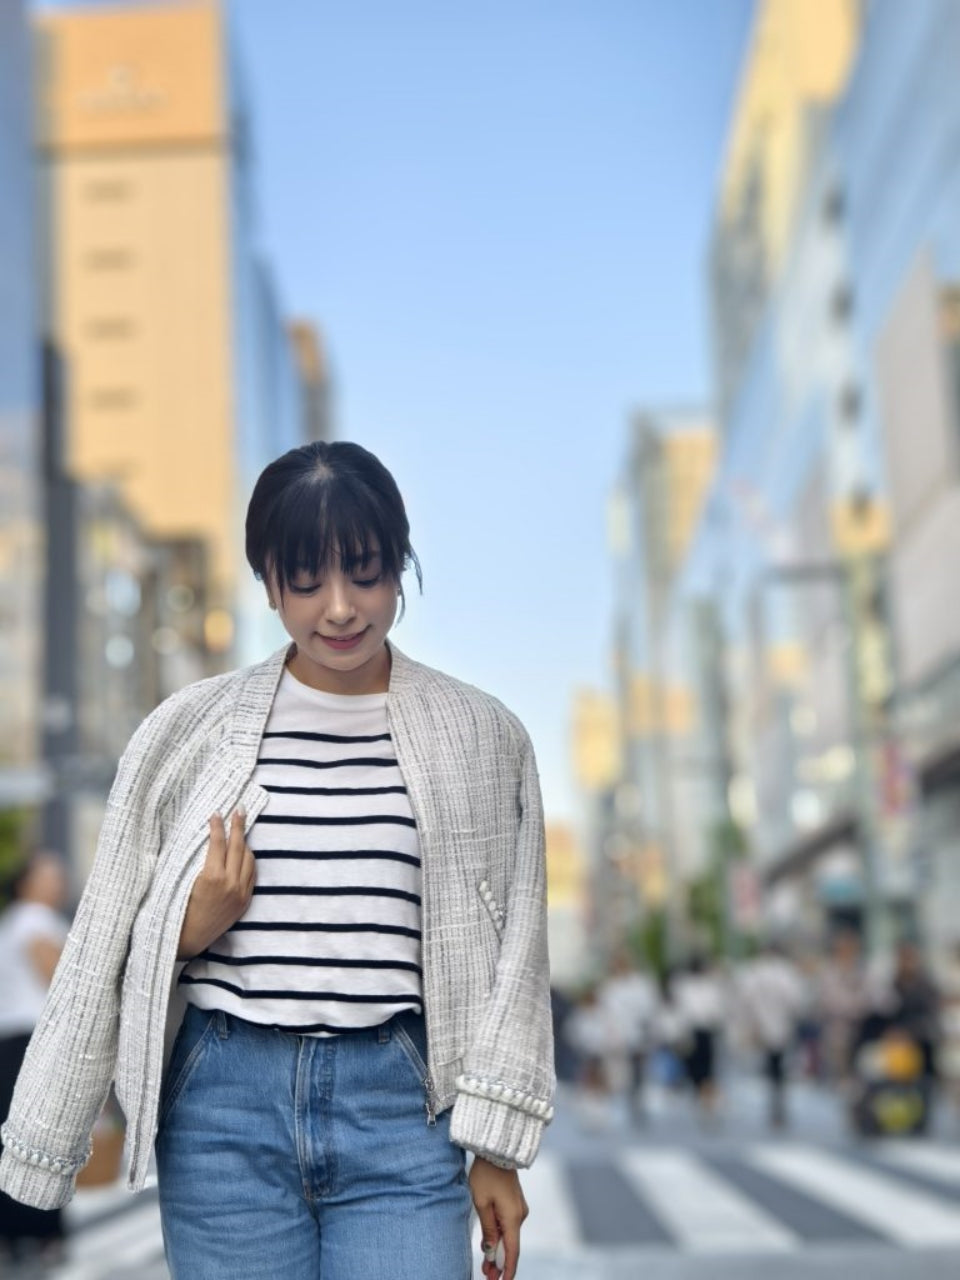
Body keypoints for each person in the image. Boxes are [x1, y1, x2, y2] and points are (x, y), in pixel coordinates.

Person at [0, 442, 555, 1280]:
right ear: (267, 580)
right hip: (224, 1104)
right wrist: (188, 927)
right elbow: (108, 933)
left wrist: (497, 1146)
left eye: (365, 573)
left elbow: (515, 950)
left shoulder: (484, 736)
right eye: (305, 580)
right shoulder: (184, 731)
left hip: (403, 1107)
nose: (338, 608)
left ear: (401, 565)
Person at [0, 851, 70, 1266]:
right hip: (33, 1042)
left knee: (12, 1139)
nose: (59, 883)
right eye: (50, 875)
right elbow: (59, 981)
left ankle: (12, 1233)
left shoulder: (11, 921)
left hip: (9, 1043)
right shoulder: (35, 921)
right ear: (27, 882)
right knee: (43, 1140)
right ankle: (42, 1233)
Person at [737, 943, 810, 1128]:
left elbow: (745, 999)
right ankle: (778, 1108)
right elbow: (797, 1001)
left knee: (773, 1068)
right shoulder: (785, 972)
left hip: (765, 1026)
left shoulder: (755, 971)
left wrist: (750, 1022)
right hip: (780, 1027)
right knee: (779, 1068)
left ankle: (776, 1108)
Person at [598, 950, 657, 1124]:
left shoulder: (640, 985)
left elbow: (647, 1009)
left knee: (637, 1073)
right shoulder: (610, 987)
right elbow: (606, 1013)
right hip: (617, 1038)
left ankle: (635, 1102)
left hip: (637, 1037)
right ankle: (617, 1104)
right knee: (618, 1074)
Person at [672, 954, 726, 1123]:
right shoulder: (683, 986)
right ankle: (701, 1097)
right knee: (694, 1068)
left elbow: (716, 1009)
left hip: (706, 1031)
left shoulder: (710, 986)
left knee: (707, 1069)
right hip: (691, 1031)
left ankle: (707, 1101)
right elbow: (680, 1011)